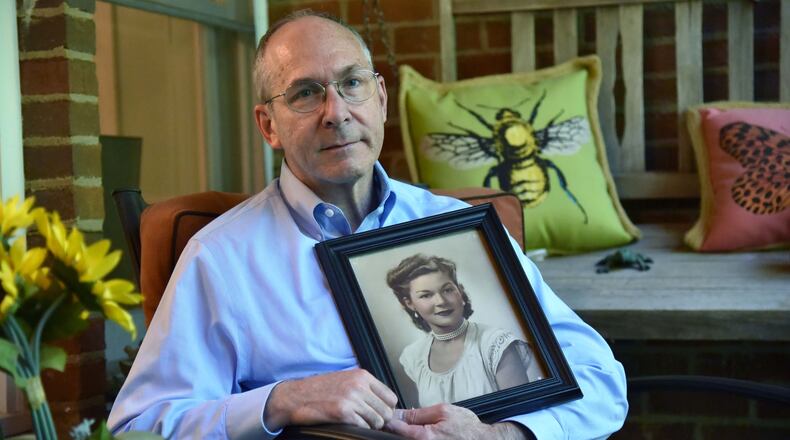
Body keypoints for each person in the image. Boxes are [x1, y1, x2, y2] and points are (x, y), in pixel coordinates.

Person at [108, 9, 628, 440]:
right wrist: (281, 401)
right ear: (268, 126)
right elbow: (139, 426)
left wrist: (503, 435)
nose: (336, 112)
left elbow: (601, 379)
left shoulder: (461, 229)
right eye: (305, 93)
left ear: (379, 99)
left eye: (351, 84)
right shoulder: (221, 257)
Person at [387, 254, 545, 407]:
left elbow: (523, 409)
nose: (441, 301)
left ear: (460, 292)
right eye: (426, 295)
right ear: (409, 303)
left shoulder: (495, 344)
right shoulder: (413, 356)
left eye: (447, 290)